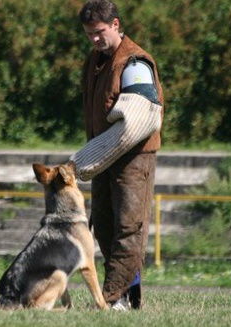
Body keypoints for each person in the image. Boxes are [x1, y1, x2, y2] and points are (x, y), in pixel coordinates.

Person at [69, 0, 164, 311]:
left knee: (128, 228)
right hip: (107, 158)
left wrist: (86, 158)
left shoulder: (134, 63)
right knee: (107, 227)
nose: (94, 40)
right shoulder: (96, 60)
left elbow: (140, 120)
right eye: (88, 35)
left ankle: (113, 299)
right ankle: (129, 297)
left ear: (115, 25)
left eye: (99, 33)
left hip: (133, 159)